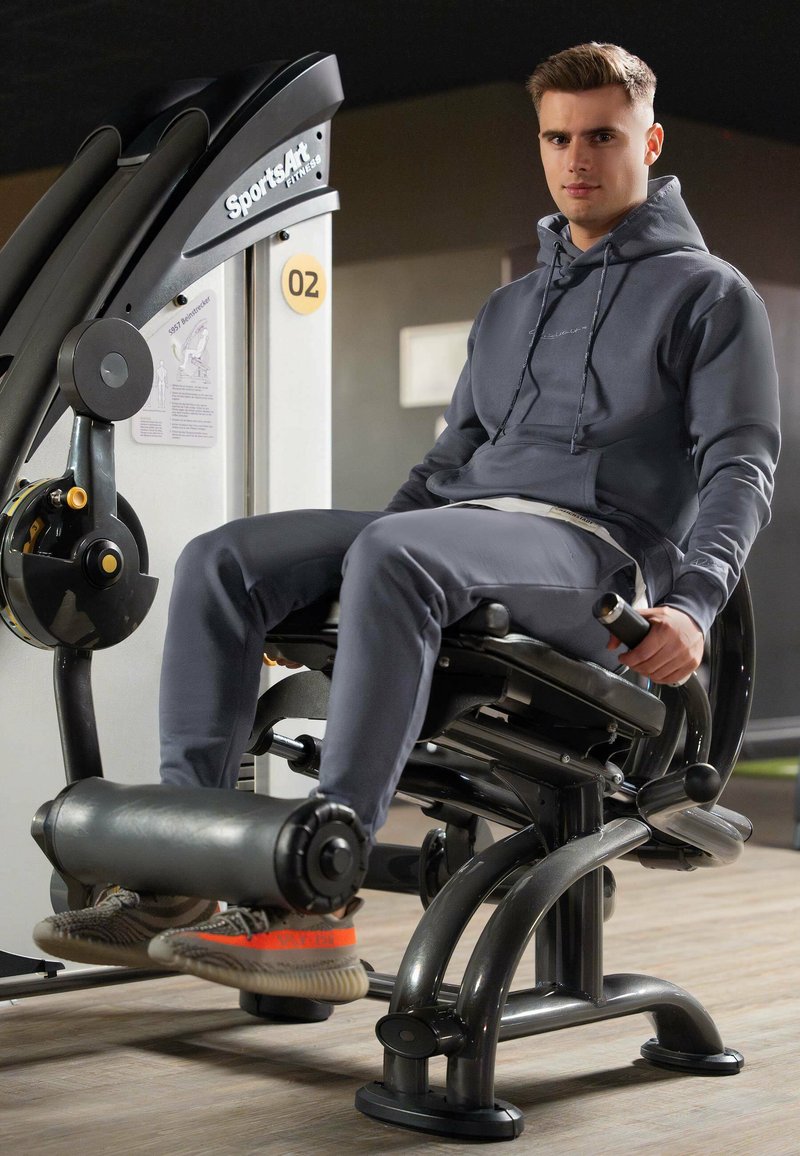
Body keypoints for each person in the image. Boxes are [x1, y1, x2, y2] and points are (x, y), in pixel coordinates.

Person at [34, 43, 779, 1002]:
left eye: (601, 136)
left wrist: (695, 605)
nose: (576, 159)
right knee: (226, 558)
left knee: (397, 551)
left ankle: (316, 905)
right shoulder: (510, 308)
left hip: (594, 557)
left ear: (651, 142)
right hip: (466, 534)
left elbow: (741, 467)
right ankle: (184, 870)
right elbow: (440, 472)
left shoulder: (710, 294)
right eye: (557, 138)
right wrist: (346, 580)